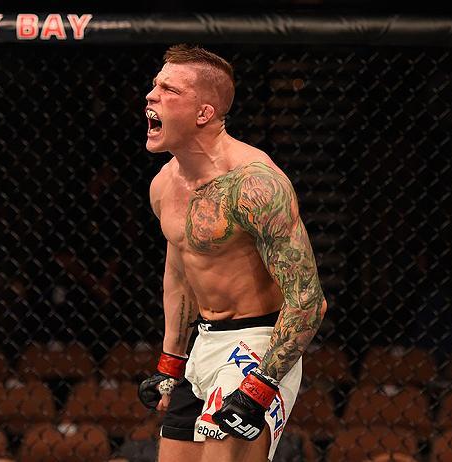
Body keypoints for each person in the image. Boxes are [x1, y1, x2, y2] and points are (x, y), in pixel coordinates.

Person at [137, 44, 328, 462]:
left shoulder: (255, 185)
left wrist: (261, 385)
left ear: (203, 113)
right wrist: (171, 362)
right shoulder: (164, 186)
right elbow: (180, 274)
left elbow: (308, 302)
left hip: (258, 344)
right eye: (154, 85)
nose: (151, 96)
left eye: (168, 89)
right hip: (202, 344)